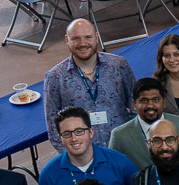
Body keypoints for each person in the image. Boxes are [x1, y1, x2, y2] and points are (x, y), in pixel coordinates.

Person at [44, 20, 137, 151]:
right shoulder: (55, 77)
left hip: (124, 147)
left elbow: (136, 107)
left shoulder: (119, 65)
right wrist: (75, 157)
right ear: (67, 40)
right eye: (76, 38)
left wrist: (135, 140)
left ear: (97, 37)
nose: (83, 44)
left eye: (88, 37)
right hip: (83, 154)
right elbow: (53, 126)